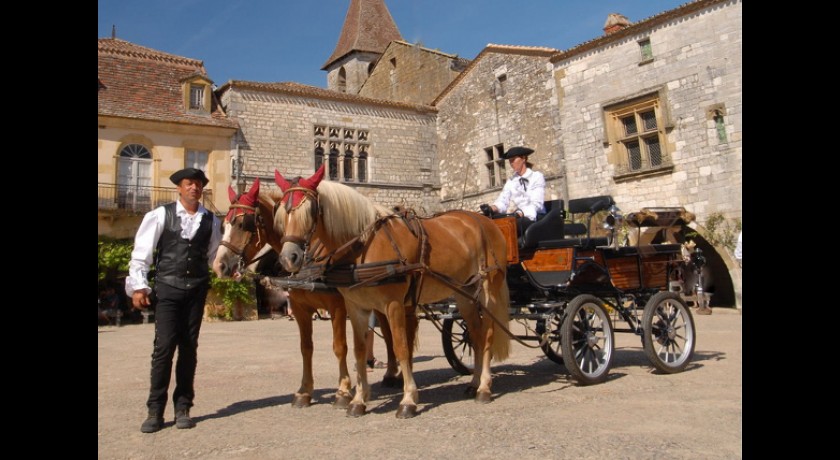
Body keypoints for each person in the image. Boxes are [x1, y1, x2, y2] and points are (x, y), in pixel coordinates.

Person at [125, 167, 222, 433]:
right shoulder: (160, 215)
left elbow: (213, 256)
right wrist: (139, 286)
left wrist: (229, 270)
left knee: (189, 348)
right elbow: (141, 254)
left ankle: (183, 407)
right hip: (167, 289)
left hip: (196, 290)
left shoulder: (211, 221)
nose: (194, 188)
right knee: (164, 348)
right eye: (189, 183)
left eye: (198, 184)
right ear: (179, 188)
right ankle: (155, 410)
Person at [480, 146, 546, 236]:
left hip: (535, 217)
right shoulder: (511, 181)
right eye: (510, 161)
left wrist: (519, 213)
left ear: (523, 159)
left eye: (513, 160)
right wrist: (492, 208)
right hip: (518, 217)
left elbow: (536, 204)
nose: (511, 163)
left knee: (509, 226)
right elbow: (503, 200)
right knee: (492, 224)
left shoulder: (536, 177)